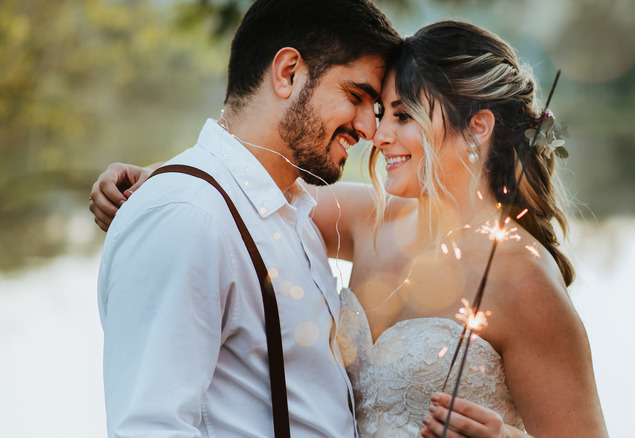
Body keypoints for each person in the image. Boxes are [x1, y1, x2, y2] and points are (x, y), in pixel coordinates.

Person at [92, 20, 608, 438]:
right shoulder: (367, 219)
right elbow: (244, 193)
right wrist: (152, 179)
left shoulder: (523, 279)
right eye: (379, 112)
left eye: (403, 116)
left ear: (478, 125)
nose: (377, 135)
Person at [94, 0, 400, 436]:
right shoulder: (186, 217)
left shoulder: (292, 211)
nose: (369, 129)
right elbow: (151, 426)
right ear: (287, 72)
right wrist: (174, 193)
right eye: (356, 96)